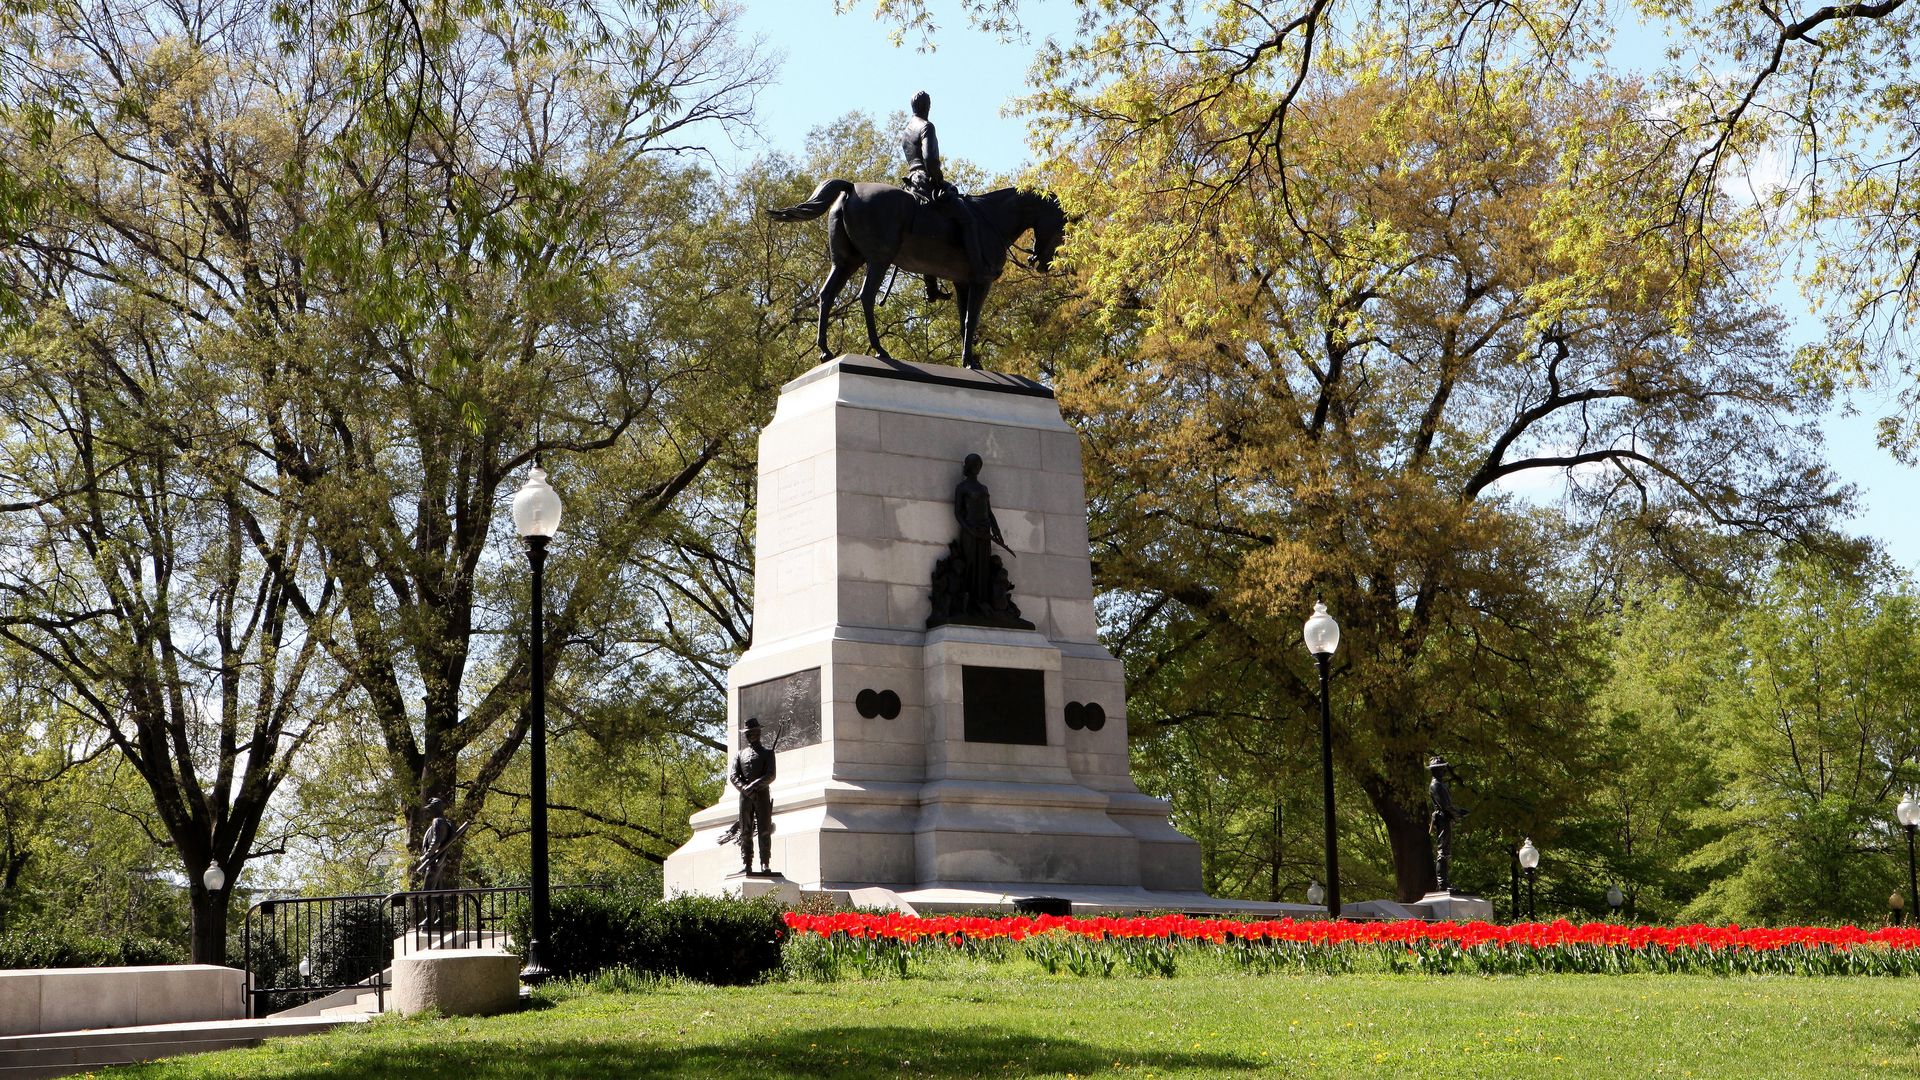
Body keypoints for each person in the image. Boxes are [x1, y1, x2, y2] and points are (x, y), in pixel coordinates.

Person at [900, 91, 983, 301]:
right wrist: (939, 181)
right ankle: (978, 269)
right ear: (928, 106)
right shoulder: (927, 126)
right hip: (926, 181)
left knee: (932, 228)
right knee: (968, 219)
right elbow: (930, 160)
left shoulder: (906, 130)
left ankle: (931, 287)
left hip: (911, 181)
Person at [953, 453, 1006, 616]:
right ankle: (969, 601)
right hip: (970, 533)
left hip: (984, 532)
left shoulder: (983, 489)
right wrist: (970, 530)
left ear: (974, 467)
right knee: (970, 564)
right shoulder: (961, 488)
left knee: (983, 566)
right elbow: (958, 514)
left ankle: (982, 601)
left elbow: (989, 512)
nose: (964, 466)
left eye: (967, 463)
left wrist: (996, 530)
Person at [729, 717, 776, 874]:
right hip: (745, 798)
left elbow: (771, 775)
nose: (750, 735)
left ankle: (765, 863)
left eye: (753, 732)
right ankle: (747, 862)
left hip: (762, 796)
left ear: (759, 732)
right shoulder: (739, 755)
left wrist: (753, 786)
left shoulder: (768, 753)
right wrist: (744, 789)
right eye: (747, 733)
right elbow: (733, 776)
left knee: (764, 830)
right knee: (745, 831)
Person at [1428, 756, 1468, 892]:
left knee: (1445, 851)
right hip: (1442, 818)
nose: (1444, 771)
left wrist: (1458, 812)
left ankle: (1444, 882)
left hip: (1445, 818)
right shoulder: (1436, 785)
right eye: (1441, 769)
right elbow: (1446, 806)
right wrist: (1459, 813)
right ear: (1435, 770)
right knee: (1442, 851)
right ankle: (1442, 883)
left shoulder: (1440, 784)